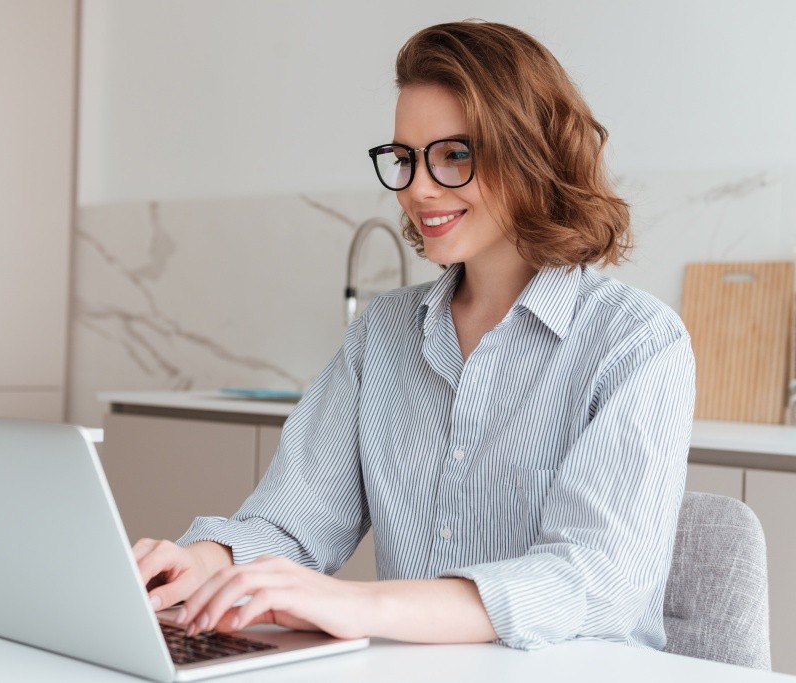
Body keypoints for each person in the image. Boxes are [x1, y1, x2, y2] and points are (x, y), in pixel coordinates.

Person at [132, 20, 695, 649]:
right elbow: (293, 524)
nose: (418, 188)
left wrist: (358, 605)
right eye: (403, 158)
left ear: (532, 155)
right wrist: (208, 561)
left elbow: (590, 583)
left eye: (455, 155)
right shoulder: (384, 333)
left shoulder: (637, 341)